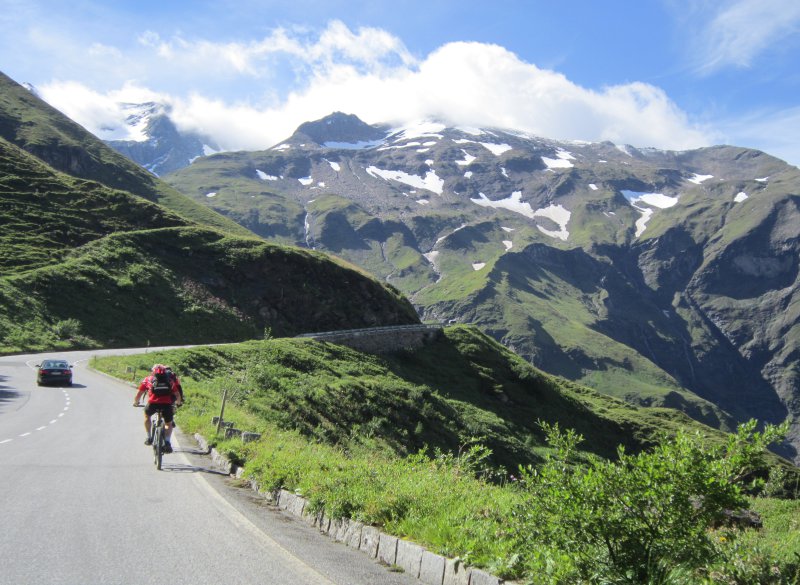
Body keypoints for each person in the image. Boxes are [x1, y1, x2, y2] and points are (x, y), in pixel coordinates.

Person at [137, 364, 182, 453]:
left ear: (153, 372)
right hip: (166, 405)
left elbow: (139, 393)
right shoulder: (169, 380)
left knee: (147, 416)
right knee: (168, 424)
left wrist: (136, 402)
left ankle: (149, 437)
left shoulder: (148, 379)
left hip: (152, 404)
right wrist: (178, 402)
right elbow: (177, 394)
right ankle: (167, 442)